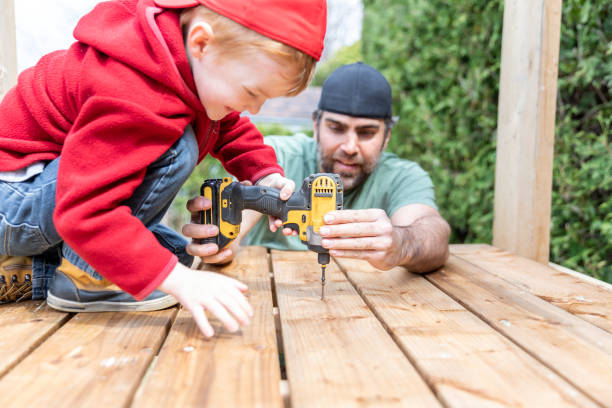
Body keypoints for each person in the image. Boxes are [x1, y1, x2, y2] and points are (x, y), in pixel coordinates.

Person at [0, 0, 327, 338]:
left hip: (42, 199)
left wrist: (264, 174)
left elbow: (227, 126)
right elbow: (84, 211)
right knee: (177, 150)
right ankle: (89, 279)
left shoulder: (185, 65)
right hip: (13, 199)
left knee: (173, 254)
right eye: (251, 92)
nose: (255, 108)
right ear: (201, 42)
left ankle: (33, 270)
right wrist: (181, 282)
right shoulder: (133, 90)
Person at [184, 62, 451, 273]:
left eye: (367, 132)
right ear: (316, 125)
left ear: (387, 137)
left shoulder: (403, 177)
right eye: (336, 128)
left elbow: (434, 235)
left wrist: (400, 245)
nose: (349, 146)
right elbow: (236, 223)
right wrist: (220, 243)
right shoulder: (273, 159)